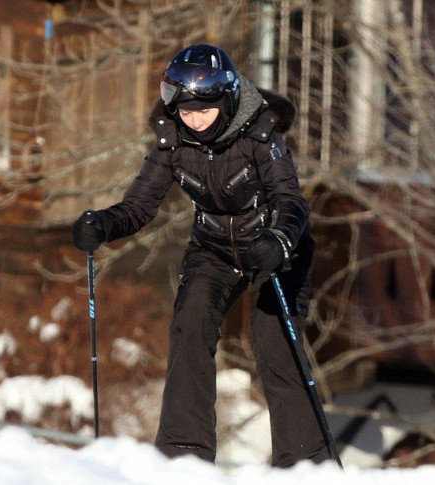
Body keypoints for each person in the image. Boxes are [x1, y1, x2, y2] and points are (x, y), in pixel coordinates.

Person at [72, 44, 329, 467]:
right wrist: (100, 225)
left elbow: (290, 199)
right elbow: (139, 206)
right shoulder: (172, 141)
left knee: (275, 342)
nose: (195, 121)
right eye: (186, 112)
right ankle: (183, 455)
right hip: (213, 249)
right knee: (189, 327)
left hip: (274, 248)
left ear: (225, 99)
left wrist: (278, 241)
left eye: (204, 112)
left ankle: (306, 463)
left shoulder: (260, 133)